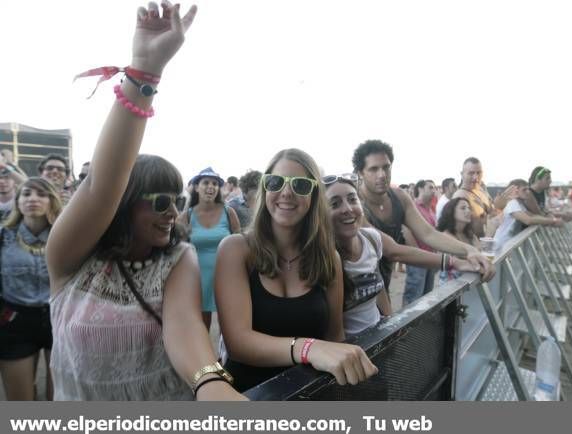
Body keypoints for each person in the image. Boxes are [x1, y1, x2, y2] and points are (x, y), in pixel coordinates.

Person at [46, 2, 243, 401]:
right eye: (159, 201)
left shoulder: (177, 258)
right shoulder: (69, 260)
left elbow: (186, 327)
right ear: (126, 201)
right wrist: (145, 70)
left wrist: (209, 381)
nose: (173, 211)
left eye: (177, 199)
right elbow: (102, 187)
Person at [215, 148, 379, 392]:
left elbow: (335, 335)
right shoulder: (236, 249)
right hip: (248, 397)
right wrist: (308, 348)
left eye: (301, 185)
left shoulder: (328, 257)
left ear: (314, 196)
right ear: (265, 187)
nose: (287, 192)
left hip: (310, 394)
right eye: (276, 182)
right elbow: (238, 343)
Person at [324, 175, 486, 333]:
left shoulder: (370, 239)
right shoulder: (323, 257)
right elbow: (334, 333)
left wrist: (389, 327)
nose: (347, 209)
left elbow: (382, 275)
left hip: (377, 338)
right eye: (335, 204)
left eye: (352, 200)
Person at [351, 141, 494, 301]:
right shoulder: (353, 205)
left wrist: (470, 250)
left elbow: (428, 233)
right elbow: (393, 251)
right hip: (354, 291)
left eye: (386, 167)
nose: (382, 174)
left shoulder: (399, 197)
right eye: (373, 169)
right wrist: (454, 262)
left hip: (382, 282)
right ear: (360, 173)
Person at [0, 178, 62, 400]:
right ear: (18, 202)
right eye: (26, 194)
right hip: (14, 322)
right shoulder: (3, 236)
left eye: (41, 194)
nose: (33, 198)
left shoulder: (65, 235)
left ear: (51, 201)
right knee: (20, 402)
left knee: (61, 399)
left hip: (58, 319)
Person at [180, 167, 240, 331]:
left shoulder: (229, 212)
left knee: (228, 326)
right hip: (197, 278)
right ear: (196, 187)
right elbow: (177, 250)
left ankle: (225, 357)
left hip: (227, 276)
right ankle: (205, 357)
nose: (211, 186)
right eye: (206, 182)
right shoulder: (186, 216)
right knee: (201, 326)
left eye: (215, 183)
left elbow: (239, 244)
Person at [493, 179, 562, 253]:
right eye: (524, 190)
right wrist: (552, 221)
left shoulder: (519, 204)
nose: (528, 192)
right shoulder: (512, 203)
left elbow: (533, 216)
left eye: (528, 189)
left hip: (506, 247)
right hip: (499, 248)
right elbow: (528, 220)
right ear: (515, 191)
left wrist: (548, 218)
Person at [403, 180, 437, 305]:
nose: (434, 191)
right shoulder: (413, 207)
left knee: (427, 296)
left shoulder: (431, 210)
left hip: (429, 258)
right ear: (421, 189)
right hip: (417, 260)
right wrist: (417, 253)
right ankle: (408, 324)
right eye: (431, 187)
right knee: (413, 297)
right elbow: (406, 231)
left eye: (434, 188)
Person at [436, 198, 479, 283]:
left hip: (470, 283)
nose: (468, 211)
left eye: (469, 208)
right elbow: (471, 256)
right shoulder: (445, 236)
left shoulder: (470, 234)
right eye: (463, 208)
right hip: (452, 287)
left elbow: (479, 252)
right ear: (451, 212)